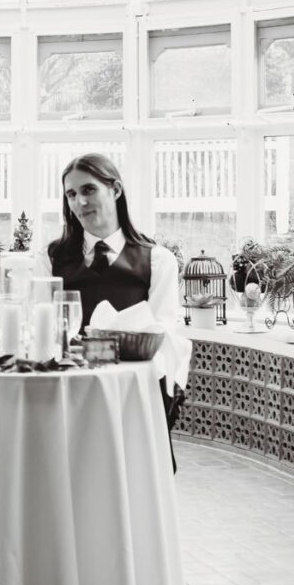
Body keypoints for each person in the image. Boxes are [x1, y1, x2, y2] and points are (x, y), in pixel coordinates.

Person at [39, 152, 190, 469]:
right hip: (66, 396)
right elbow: (42, 331)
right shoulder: (50, 259)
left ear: (116, 190)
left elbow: (161, 339)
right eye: (71, 194)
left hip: (131, 397)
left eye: (89, 189)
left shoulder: (158, 261)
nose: (80, 202)